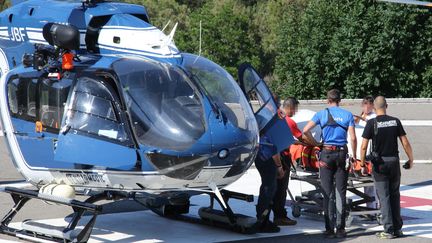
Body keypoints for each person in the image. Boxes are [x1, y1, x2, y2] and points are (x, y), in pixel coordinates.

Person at [303, 89, 357, 238]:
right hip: (341, 154)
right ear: (340, 100)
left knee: (327, 193)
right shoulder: (347, 115)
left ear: (328, 100)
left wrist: (316, 144)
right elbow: (352, 138)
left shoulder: (321, 114)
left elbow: (305, 131)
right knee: (341, 192)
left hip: (326, 154)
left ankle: (329, 229)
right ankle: (341, 228)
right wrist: (354, 154)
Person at [360, 96, 414, 239]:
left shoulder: (371, 123)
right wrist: (410, 159)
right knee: (395, 195)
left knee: (384, 197)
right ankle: (397, 229)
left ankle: (388, 230)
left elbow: (364, 145)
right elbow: (405, 142)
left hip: (380, 164)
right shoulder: (395, 121)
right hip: (394, 162)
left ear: (374, 108)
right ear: (386, 106)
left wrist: (362, 163)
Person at [272, 97, 317, 226]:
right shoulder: (289, 121)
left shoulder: (275, 119)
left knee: (273, 187)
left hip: (271, 156)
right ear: (291, 108)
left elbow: (287, 138)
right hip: (282, 156)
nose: (295, 112)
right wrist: (317, 143)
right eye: (295, 109)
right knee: (281, 188)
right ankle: (280, 216)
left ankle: (271, 215)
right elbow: (302, 138)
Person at [255, 132, 285, 233]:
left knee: (267, 188)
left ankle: (262, 218)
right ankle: (262, 222)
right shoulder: (272, 128)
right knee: (269, 189)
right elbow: (274, 150)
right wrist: (279, 167)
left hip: (260, 157)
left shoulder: (263, 126)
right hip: (268, 159)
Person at [355, 96, 378, 211]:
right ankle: (370, 207)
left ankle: (373, 207)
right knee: (366, 184)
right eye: (364, 105)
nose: (366, 107)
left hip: (370, 150)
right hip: (361, 151)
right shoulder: (361, 117)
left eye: (368, 105)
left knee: (371, 184)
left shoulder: (374, 117)